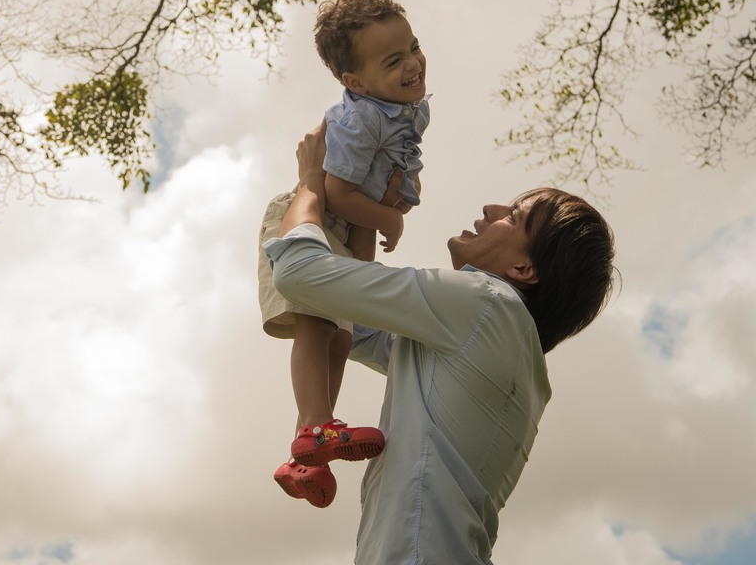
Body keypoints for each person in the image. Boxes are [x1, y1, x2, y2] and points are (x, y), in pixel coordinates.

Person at [264, 121, 615, 564]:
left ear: (525, 270)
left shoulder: (486, 303)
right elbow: (348, 319)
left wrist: (311, 182)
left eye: (514, 216)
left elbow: (298, 274)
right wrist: (363, 213)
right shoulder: (501, 341)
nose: (491, 208)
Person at [256, 0, 429, 508]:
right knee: (315, 326)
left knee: (338, 338)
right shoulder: (362, 119)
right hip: (310, 217)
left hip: (345, 230)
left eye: (414, 47)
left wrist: (364, 270)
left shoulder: (400, 108)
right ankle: (313, 428)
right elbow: (335, 192)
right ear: (354, 82)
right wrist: (389, 219)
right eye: (394, 60)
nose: (414, 64)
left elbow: (364, 202)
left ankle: (306, 455)